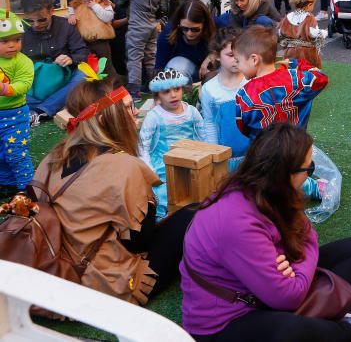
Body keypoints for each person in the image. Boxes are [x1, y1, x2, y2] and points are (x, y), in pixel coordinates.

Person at [180, 123, 351, 340]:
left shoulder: (262, 187)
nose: (311, 173)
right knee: (290, 330)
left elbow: (304, 234)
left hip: (266, 288)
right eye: (309, 168)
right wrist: (300, 259)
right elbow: (289, 296)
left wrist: (295, 264)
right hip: (227, 321)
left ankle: (320, 324)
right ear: (286, 174)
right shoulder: (236, 223)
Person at [36, 80, 194, 304]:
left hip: (56, 269)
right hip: (101, 280)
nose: (136, 111)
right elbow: (139, 243)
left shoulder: (53, 156)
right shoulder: (125, 166)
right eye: (128, 107)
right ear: (104, 119)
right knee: (193, 213)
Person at [234, 26, 328, 140]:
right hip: (298, 147)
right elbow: (321, 78)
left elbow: (243, 128)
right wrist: (295, 64)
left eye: (238, 60)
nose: (237, 65)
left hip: (265, 152)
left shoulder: (244, 94)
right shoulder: (296, 79)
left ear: (254, 59)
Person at [139, 69, 207, 219]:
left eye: (177, 89)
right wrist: (151, 173)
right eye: (166, 91)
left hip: (190, 165)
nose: (173, 95)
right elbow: (143, 147)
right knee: (165, 198)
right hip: (163, 169)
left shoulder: (192, 112)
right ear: (158, 95)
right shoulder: (154, 116)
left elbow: (204, 139)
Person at [21, 0, 88, 125]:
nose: (35, 25)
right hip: (32, 82)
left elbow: (82, 52)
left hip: (63, 79)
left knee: (84, 75)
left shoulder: (66, 26)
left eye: (41, 20)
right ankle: (53, 106)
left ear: (52, 11)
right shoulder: (20, 30)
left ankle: (41, 110)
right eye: (29, 20)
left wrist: (70, 59)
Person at [115, 0, 171, 97]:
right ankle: (155, 86)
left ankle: (133, 90)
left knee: (134, 58)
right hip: (152, 27)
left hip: (136, 28)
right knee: (151, 56)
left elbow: (118, 1)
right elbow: (164, 9)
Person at [200, 29, 248, 164]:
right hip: (225, 159)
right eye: (231, 54)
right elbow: (209, 122)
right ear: (216, 55)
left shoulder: (252, 83)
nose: (237, 59)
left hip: (253, 157)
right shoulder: (209, 89)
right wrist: (214, 153)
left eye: (241, 53)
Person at [0, 10, 33, 196]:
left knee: (16, 151)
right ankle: (6, 182)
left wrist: (6, 89)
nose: (12, 45)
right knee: (1, 153)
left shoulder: (23, 62)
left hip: (15, 116)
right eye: (5, 41)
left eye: (17, 40)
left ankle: (26, 186)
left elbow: (24, 84)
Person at [66, 0, 116, 73]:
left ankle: (111, 85)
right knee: (89, 68)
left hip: (100, 41)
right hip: (82, 43)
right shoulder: (75, 5)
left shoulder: (103, 3)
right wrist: (71, 16)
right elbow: (69, 16)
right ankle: (94, 87)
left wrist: (94, 6)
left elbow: (107, 17)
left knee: (106, 66)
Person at [154, 0, 216, 80]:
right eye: (184, 28)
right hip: (183, 72)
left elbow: (234, 39)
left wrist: (213, 55)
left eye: (195, 29)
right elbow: (160, 69)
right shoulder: (168, 34)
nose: (189, 34)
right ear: (178, 23)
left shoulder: (216, 25)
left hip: (212, 73)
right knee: (176, 68)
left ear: (204, 24)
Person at [278, 0, 327, 68]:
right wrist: (323, 33)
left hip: (290, 51)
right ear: (309, 5)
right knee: (307, 71)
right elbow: (313, 34)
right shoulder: (309, 18)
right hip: (306, 53)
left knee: (290, 71)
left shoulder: (288, 16)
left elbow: (280, 33)